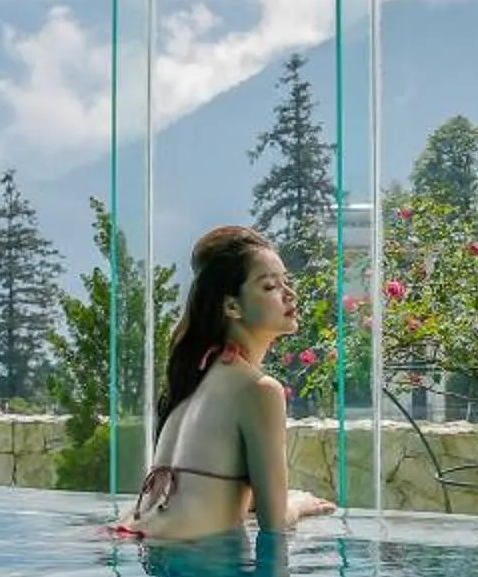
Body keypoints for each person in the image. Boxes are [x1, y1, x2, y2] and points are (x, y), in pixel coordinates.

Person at [114, 224, 335, 541]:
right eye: (270, 286)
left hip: (137, 539)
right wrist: (296, 504)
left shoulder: (195, 378)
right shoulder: (259, 390)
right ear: (232, 306)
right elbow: (274, 523)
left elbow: (206, 489)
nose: (290, 294)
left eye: (287, 281)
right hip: (190, 560)